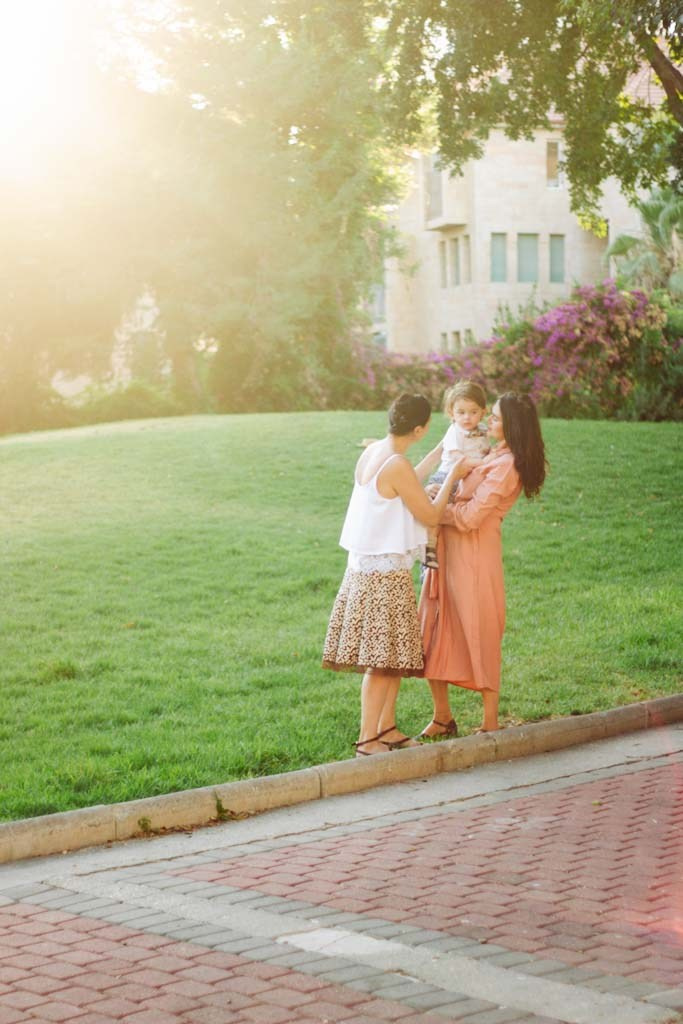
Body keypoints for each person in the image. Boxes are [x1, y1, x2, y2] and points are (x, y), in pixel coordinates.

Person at [322, 393, 473, 756]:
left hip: (366, 569)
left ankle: (387, 729)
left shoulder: (375, 452)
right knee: (382, 660)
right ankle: (367, 739)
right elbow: (432, 516)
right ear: (418, 428)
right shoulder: (395, 465)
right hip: (382, 575)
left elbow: (405, 479)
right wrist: (453, 474)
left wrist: (440, 450)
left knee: (391, 658)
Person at [418, 392, 546, 738]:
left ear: (513, 426)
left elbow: (472, 517)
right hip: (446, 553)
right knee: (434, 626)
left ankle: (490, 720)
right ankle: (442, 716)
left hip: (474, 557)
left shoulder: (507, 466)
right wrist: (439, 491)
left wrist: (433, 510)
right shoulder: (490, 454)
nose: (489, 420)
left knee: (481, 628)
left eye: (496, 418)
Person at [423, 380, 490, 570]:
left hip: (464, 478)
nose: (467, 418)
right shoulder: (454, 431)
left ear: (483, 412)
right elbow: (460, 460)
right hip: (446, 476)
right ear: (451, 413)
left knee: (453, 514)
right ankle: (428, 545)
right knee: (436, 512)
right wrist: (485, 463)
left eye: (473, 412)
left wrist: (490, 456)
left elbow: (486, 451)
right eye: (461, 412)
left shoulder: (483, 431)